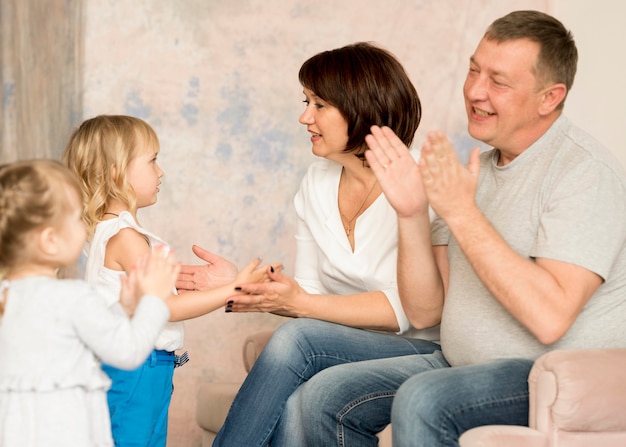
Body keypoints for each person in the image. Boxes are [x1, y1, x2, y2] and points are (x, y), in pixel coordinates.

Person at [267, 9, 626, 447]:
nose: (474, 91)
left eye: (498, 81)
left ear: (548, 98)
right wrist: (413, 213)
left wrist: (460, 212)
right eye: (474, 69)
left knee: (423, 398)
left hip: (553, 375)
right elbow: (424, 311)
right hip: (457, 363)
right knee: (326, 396)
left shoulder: (582, 172)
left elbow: (550, 319)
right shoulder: (476, 171)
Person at [177, 42, 440, 446]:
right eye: (306, 102)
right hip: (342, 343)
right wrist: (247, 286)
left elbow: (412, 310)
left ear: (359, 106)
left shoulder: (423, 180)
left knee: (297, 342)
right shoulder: (316, 183)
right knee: (297, 391)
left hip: (422, 350)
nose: (304, 117)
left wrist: (299, 303)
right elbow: (310, 295)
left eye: (319, 105)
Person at [62, 115, 278, 447]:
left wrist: (196, 279)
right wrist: (231, 290)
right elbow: (164, 307)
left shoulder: (110, 232)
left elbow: (141, 289)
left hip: (144, 369)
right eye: (152, 161)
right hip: (137, 373)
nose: (160, 172)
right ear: (118, 172)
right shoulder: (125, 236)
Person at [0, 159, 179, 447]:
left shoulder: (7, 297)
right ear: (50, 241)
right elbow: (126, 351)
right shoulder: (72, 296)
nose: (84, 227)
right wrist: (154, 300)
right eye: (75, 219)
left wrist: (123, 309)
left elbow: (75, 336)